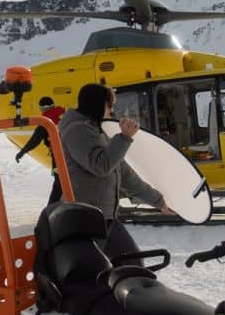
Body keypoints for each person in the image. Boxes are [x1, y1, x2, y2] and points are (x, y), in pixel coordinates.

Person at [57, 83, 170, 260]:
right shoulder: (76, 130)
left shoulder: (97, 131)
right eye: (109, 105)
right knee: (91, 270)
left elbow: (125, 175)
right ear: (97, 104)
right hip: (85, 220)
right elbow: (101, 166)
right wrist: (124, 138)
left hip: (105, 218)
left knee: (133, 263)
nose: (111, 110)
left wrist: (159, 201)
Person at [15, 96, 67, 205]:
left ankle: (51, 209)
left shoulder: (46, 122)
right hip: (75, 153)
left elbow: (35, 140)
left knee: (59, 184)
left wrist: (22, 152)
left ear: (42, 109)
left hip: (59, 156)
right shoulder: (65, 114)